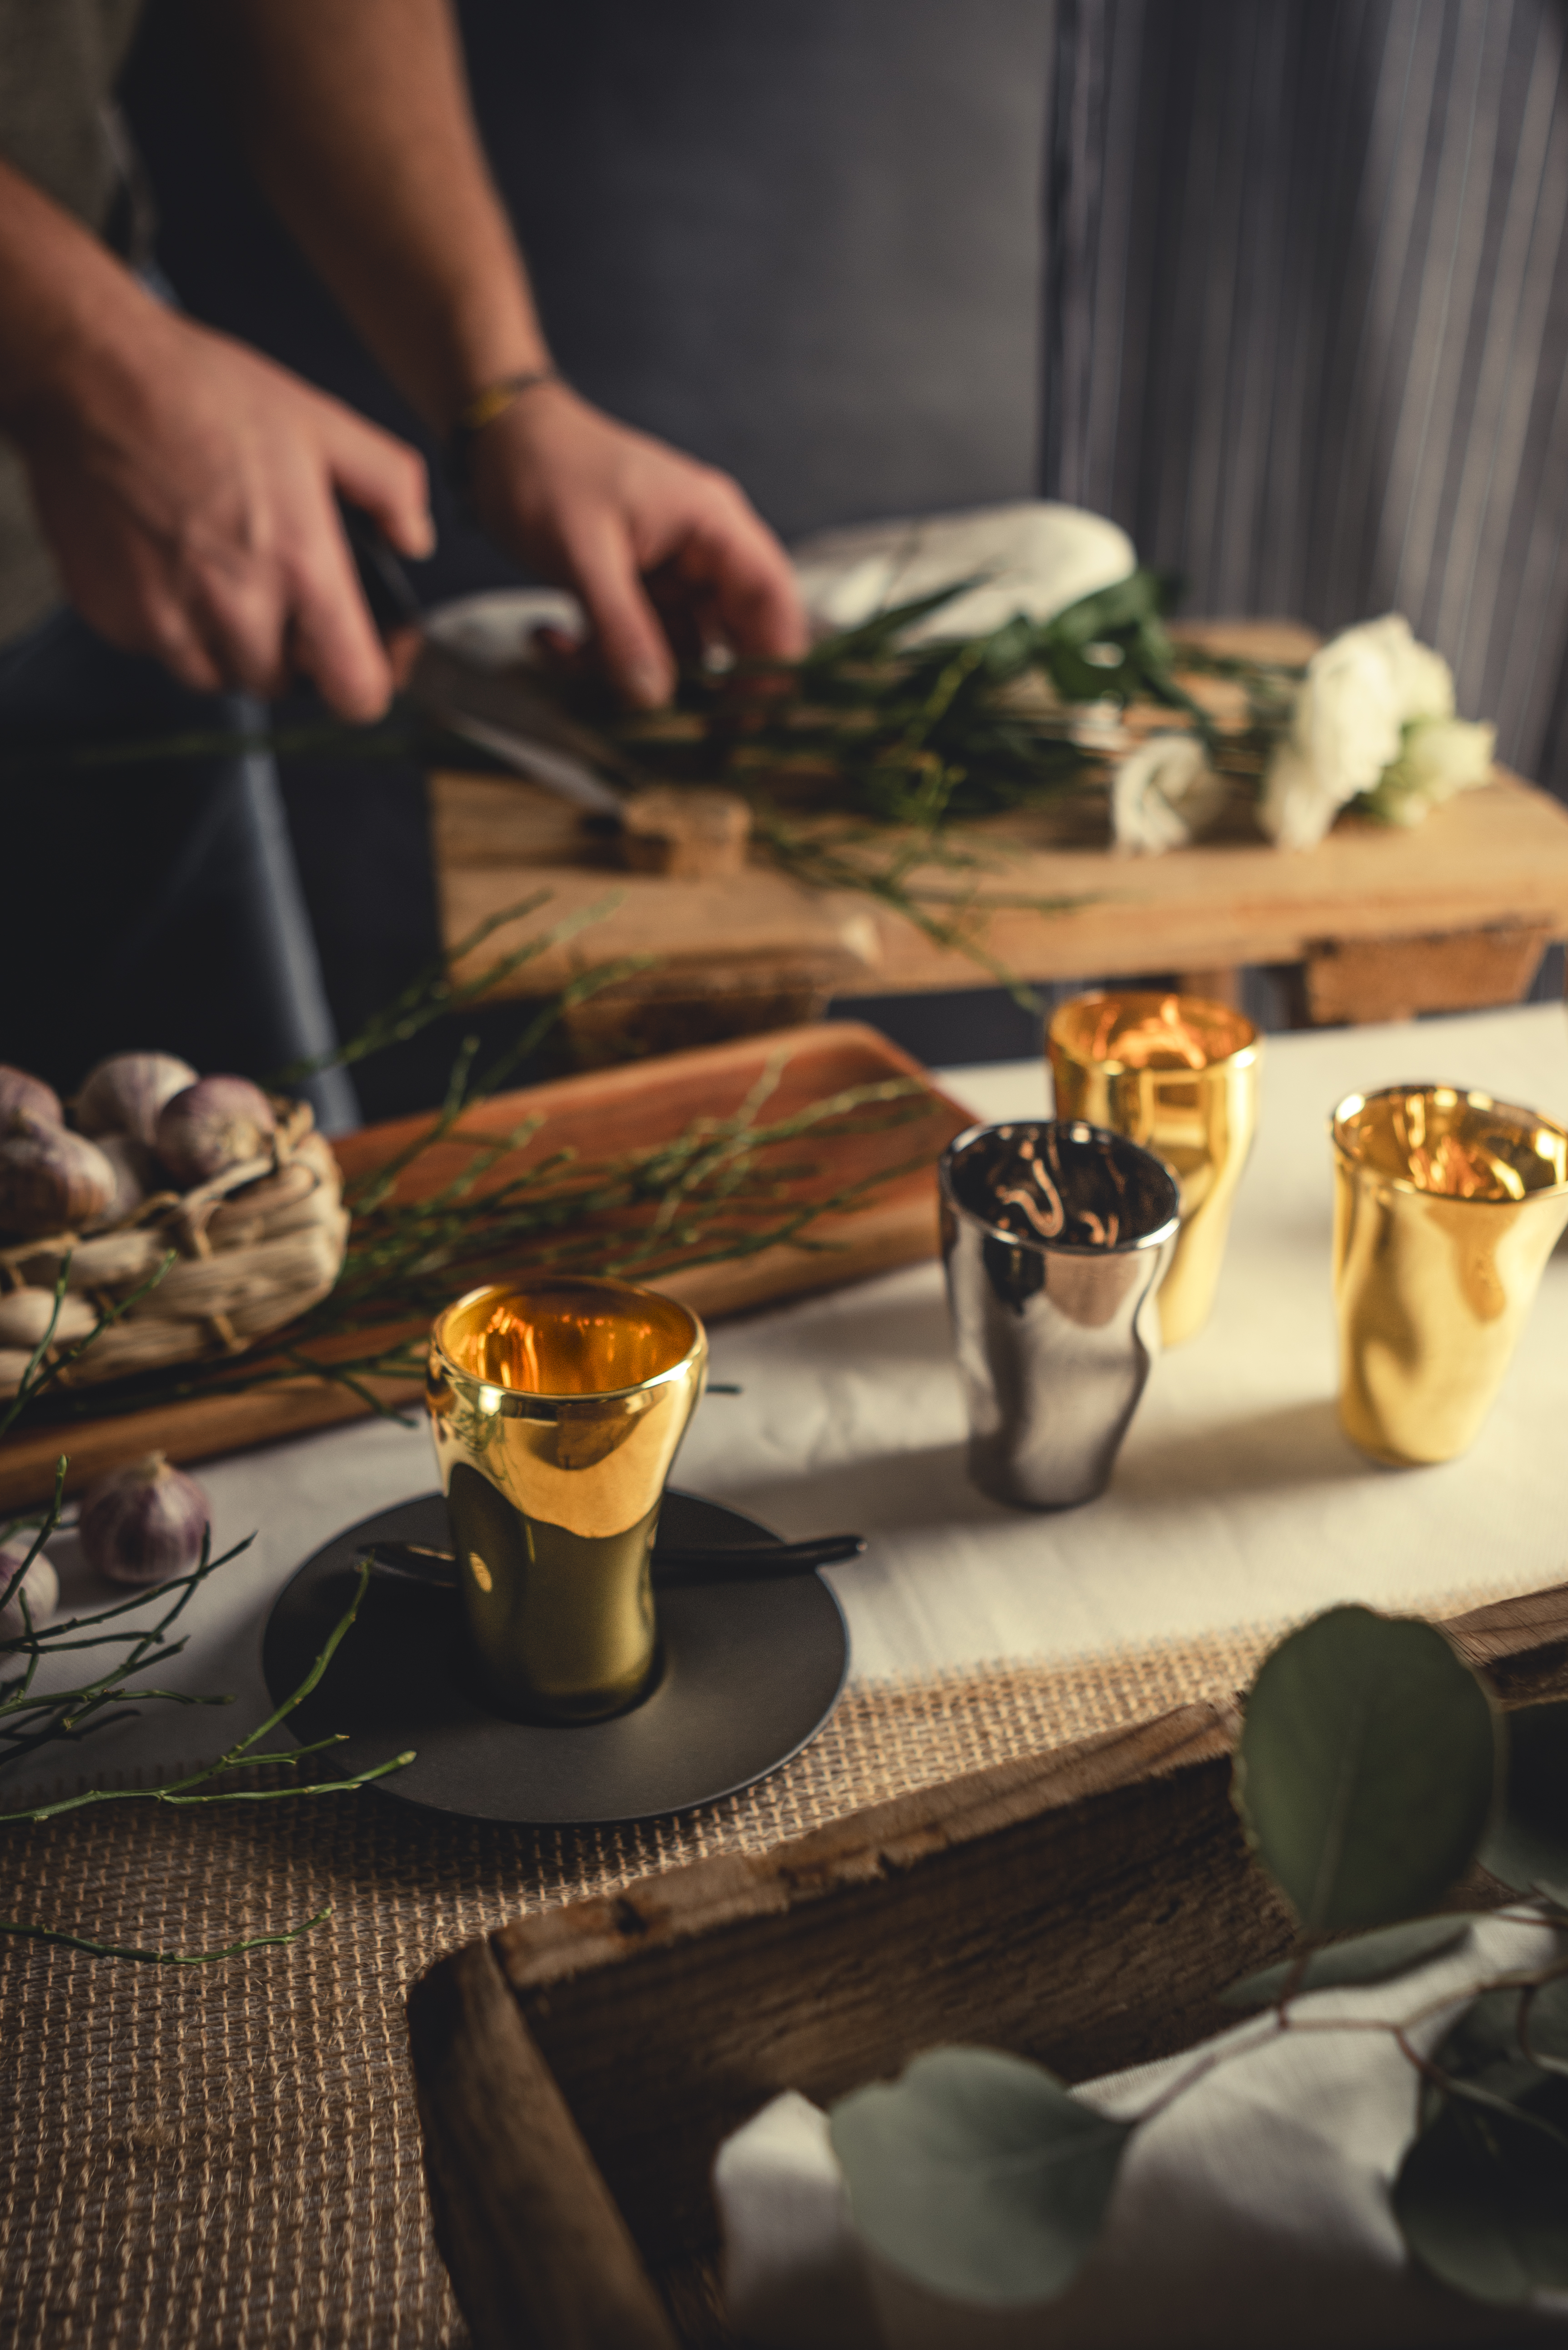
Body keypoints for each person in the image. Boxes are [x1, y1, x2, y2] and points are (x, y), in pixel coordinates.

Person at [0, 0, 805, 1117]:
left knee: (274, 1193)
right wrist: (90, 363)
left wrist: (502, 394)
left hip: (115, 524)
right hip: (105, 395)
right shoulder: (102, 383)